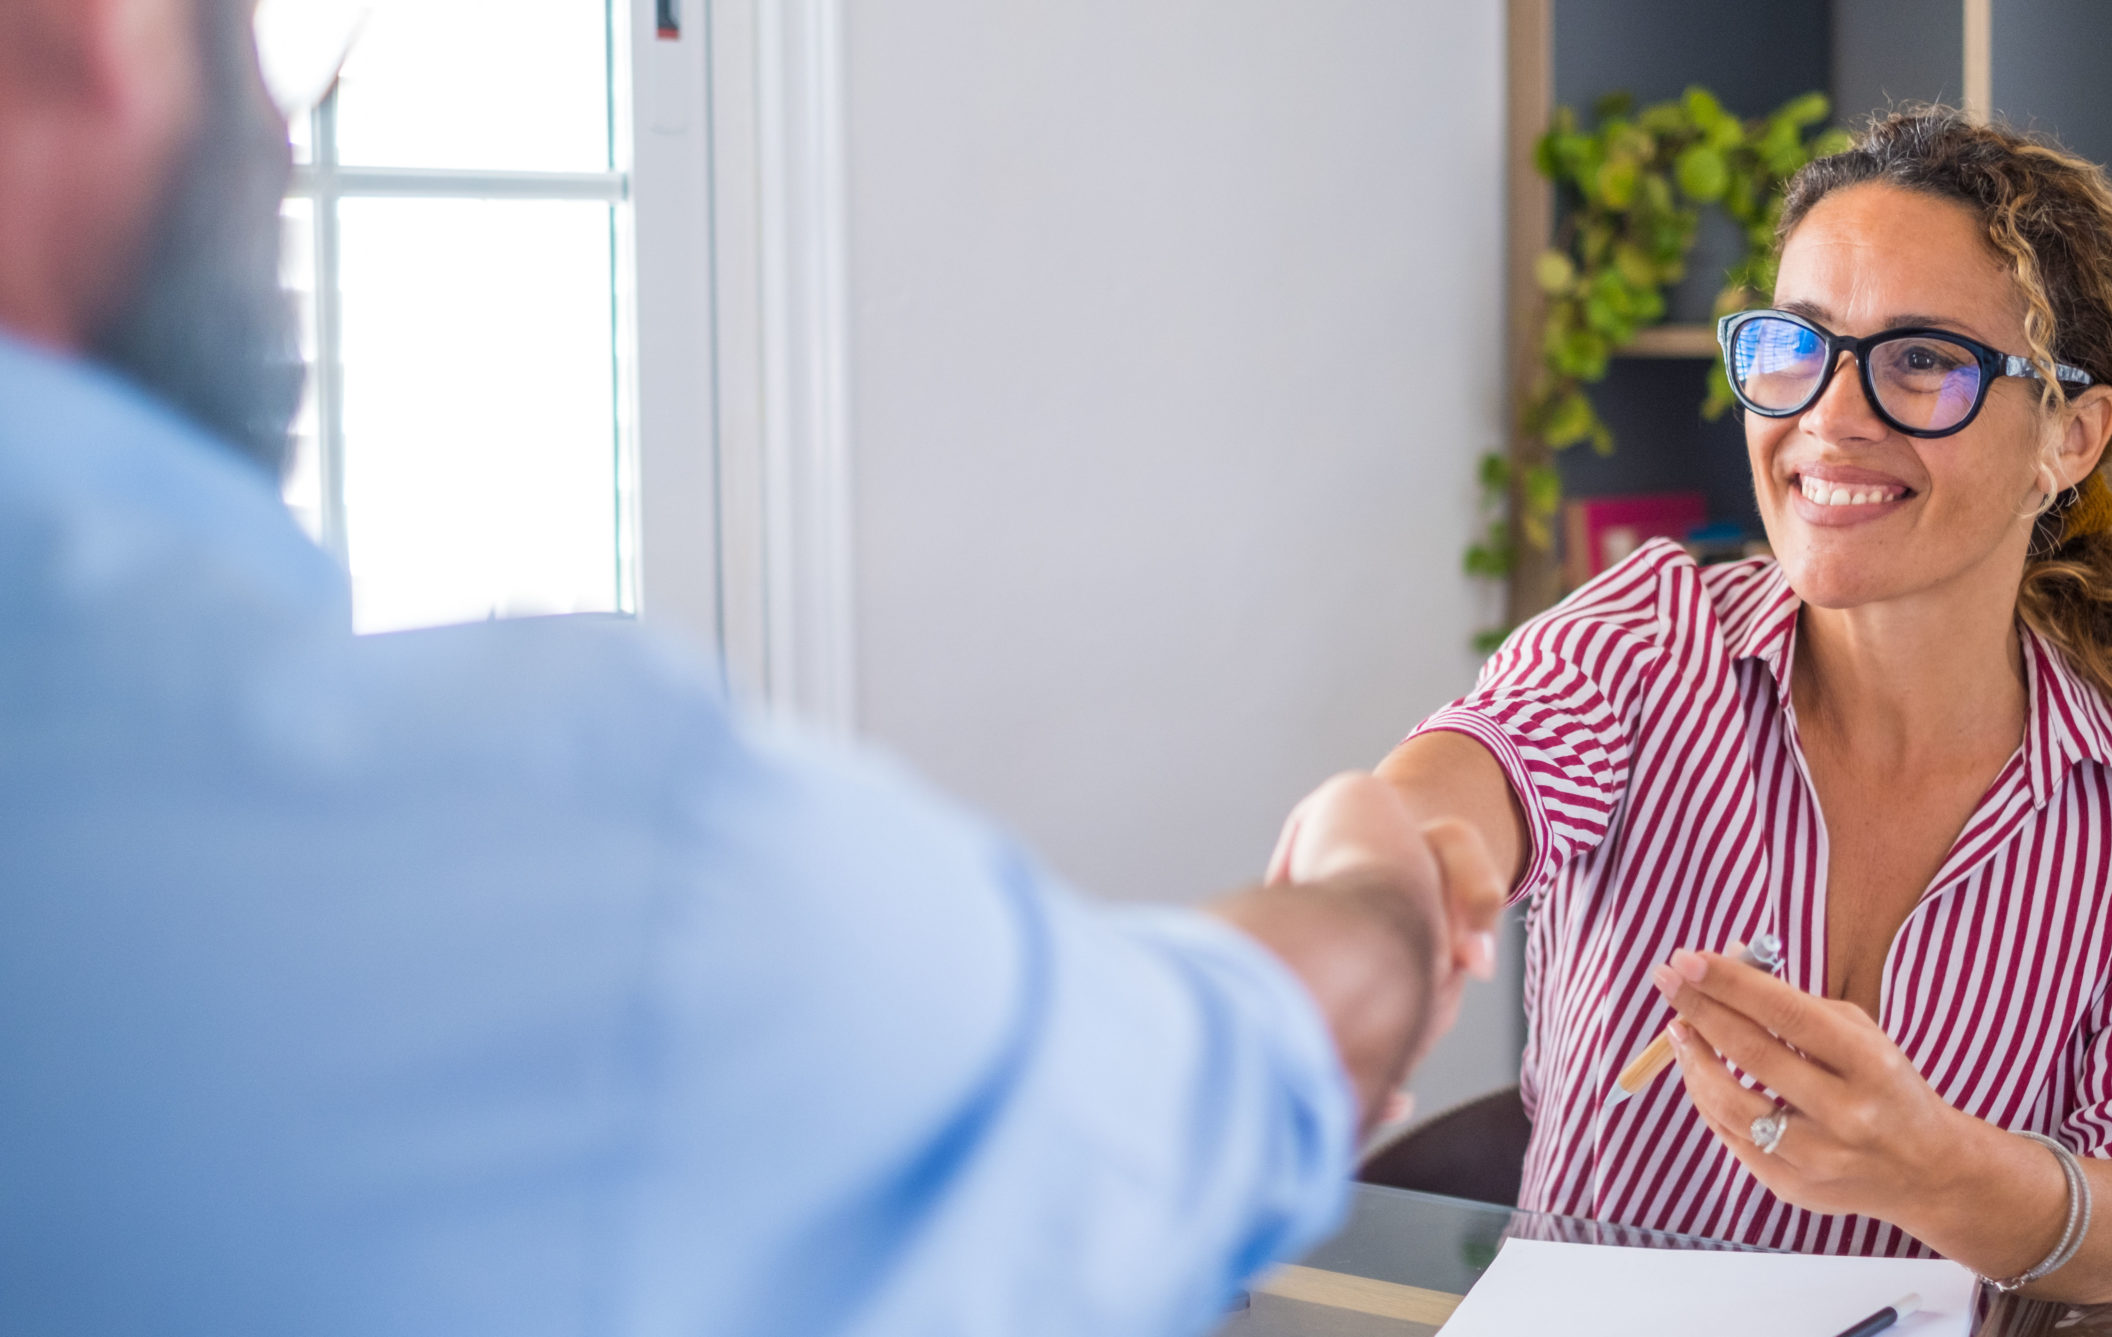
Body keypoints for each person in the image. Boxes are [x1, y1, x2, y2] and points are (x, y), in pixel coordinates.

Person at [0, 2, 1505, 1333]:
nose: (281, 126)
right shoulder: (588, 871)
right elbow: (1237, 1049)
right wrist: (1379, 886)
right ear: (101, 28)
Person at [1280, 109, 2112, 1311]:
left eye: (1921, 360)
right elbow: (1458, 789)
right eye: (1794, 346)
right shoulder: (1647, 646)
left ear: (2068, 435)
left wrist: (1935, 1168)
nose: (1830, 417)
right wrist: (1381, 872)